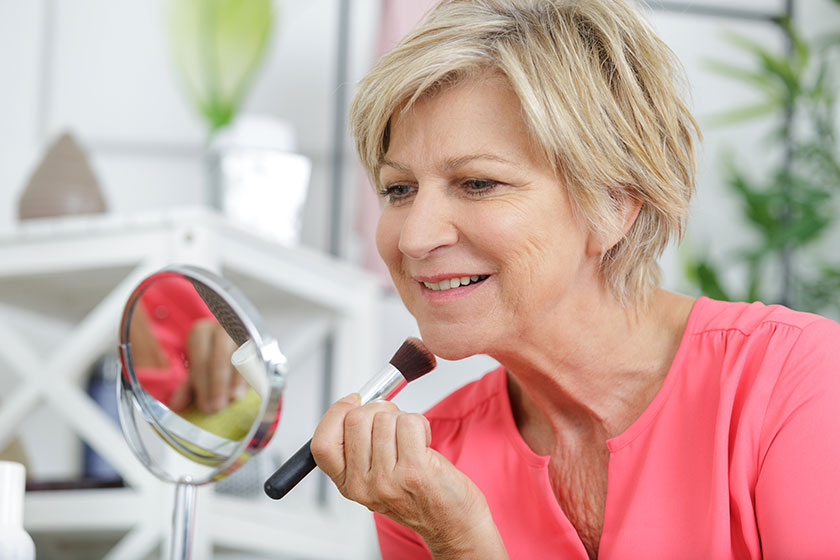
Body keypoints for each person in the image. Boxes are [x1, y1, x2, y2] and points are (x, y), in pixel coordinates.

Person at [308, 0, 840, 558]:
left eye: (478, 183)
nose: (415, 237)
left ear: (613, 204)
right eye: (399, 189)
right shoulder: (429, 472)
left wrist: (465, 545)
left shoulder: (795, 383)